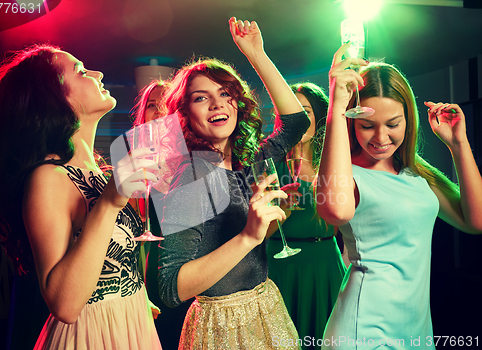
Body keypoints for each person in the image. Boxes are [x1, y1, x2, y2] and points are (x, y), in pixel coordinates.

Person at [0, 44, 162, 349]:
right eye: (81, 70)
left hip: (132, 325)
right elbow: (64, 305)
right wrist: (109, 202)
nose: (98, 73)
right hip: (92, 336)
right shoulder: (47, 178)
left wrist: (134, 295)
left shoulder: (101, 173)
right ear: (53, 98)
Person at [317, 43, 482, 349]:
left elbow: (476, 221)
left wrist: (458, 144)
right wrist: (336, 111)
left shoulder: (416, 174)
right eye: (367, 126)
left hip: (415, 330)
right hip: (364, 329)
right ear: (352, 121)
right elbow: (337, 213)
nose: (381, 138)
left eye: (393, 124)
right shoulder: (346, 174)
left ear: (408, 119)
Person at [158, 18, 310, 349]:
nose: (217, 104)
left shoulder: (247, 160)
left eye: (224, 93)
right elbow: (171, 288)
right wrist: (248, 237)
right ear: (184, 114)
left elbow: (296, 123)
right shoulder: (190, 179)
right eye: (201, 98)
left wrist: (257, 54)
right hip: (222, 326)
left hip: (266, 305)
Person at [267, 82, 347, 349]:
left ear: (319, 118)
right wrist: (283, 211)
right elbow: (256, 234)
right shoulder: (270, 163)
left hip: (325, 263)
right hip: (280, 265)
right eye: (294, 113)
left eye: (307, 112)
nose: (301, 120)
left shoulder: (334, 159)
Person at [130, 79, 193, 350]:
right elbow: (133, 230)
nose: (158, 112)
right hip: (156, 266)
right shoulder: (135, 162)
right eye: (152, 106)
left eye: (166, 105)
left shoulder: (195, 157)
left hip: (195, 265)